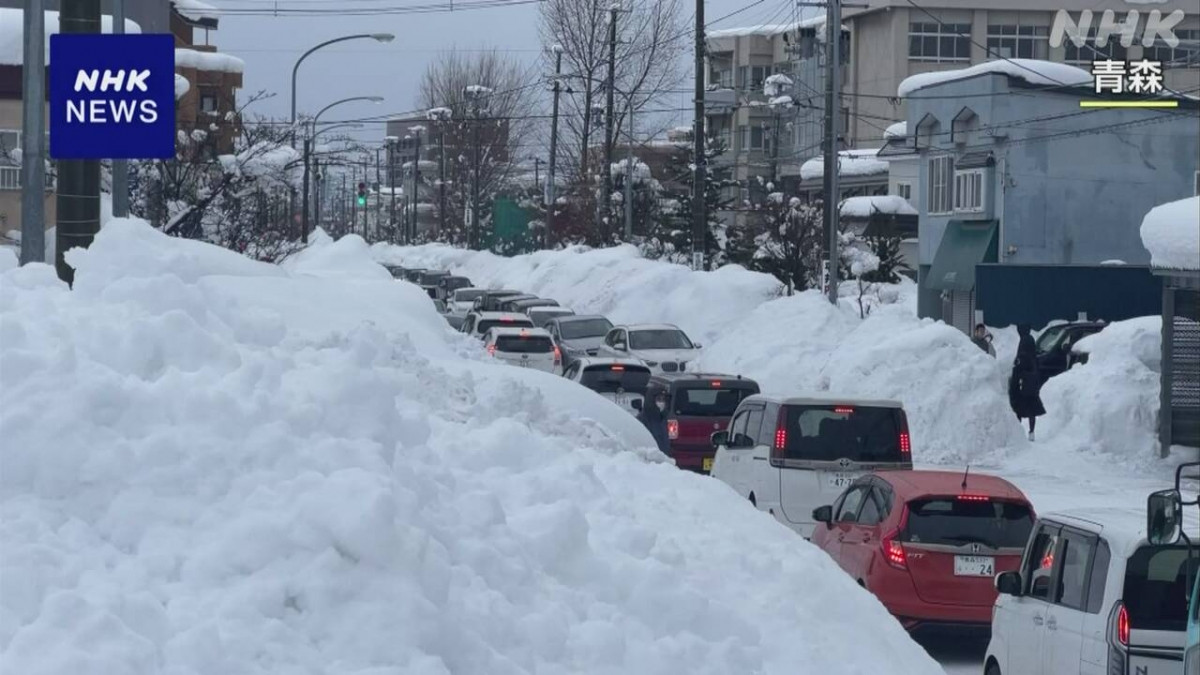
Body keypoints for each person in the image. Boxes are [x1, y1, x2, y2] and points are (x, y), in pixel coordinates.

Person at [1009, 323, 1046, 441]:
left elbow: (1020, 361)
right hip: (1033, 380)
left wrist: (1015, 376)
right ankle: (1032, 432)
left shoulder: (1024, 341)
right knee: (1032, 408)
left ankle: (1018, 433)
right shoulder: (1031, 340)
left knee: (1018, 407)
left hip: (1022, 381)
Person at [637, 389, 671, 454]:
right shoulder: (643, 419)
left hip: (663, 457)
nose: (662, 402)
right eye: (659, 399)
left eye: (664, 399)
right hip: (650, 458)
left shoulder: (664, 418)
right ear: (651, 400)